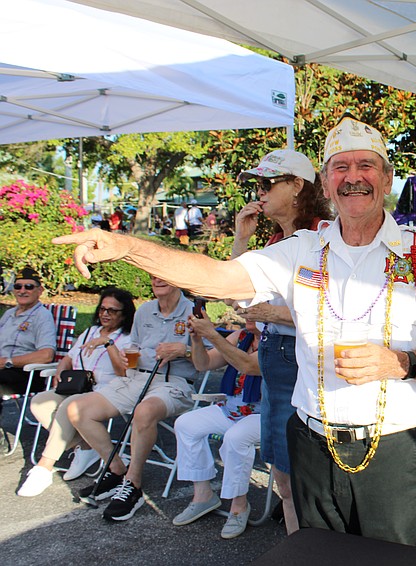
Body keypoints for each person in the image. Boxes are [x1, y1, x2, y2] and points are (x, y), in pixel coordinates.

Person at [53, 115, 416, 547]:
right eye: (341, 167)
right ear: (327, 182)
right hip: (311, 441)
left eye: (366, 166)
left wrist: (401, 362)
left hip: (392, 447)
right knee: (320, 555)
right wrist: (128, 247)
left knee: (392, 561)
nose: (354, 178)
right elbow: (216, 278)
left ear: (387, 178)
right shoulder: (300, 250)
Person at [230, 148, 332, 533]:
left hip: (301, 357)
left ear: (296, 187)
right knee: (282, 473)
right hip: (275, 355)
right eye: (258, 184)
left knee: (301, 475)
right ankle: (298, 548)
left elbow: (338, 310)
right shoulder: (275, 240)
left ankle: (312, 548)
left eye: (268, 183)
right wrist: (242, 239)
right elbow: (236, 291)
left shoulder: (324, 237)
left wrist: (274, 315)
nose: (260, 191)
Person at [65, 276, 205, 521]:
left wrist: (183, 350)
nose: (157, 280)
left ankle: (133, 484)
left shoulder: (195, 311)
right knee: (78, 409)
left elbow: (209, 359)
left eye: (163, 275)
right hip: (136, 378)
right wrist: (126, 357)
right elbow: (136, 349)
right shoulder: (145, 310)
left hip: (174, 384)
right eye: (152, 276)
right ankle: (116, 468)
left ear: (176, 277)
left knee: (144, 411)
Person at [18, 288, 135, 497]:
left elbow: (124, 371)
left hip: (103, 391)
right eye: (102, 309)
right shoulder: (90, 331)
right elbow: (70, 357)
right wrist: (61, 371)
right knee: (39, 402)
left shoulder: (127, 338)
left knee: (68, 407)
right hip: (77, 385)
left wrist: (109, 344)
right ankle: (86, 444)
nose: (105, 314)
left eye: (113, 311)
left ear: (124, 314)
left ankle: (44, 466)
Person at [172, 311, 262, 539]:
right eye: (246, 310)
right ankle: (203, 496)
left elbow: (249, 365)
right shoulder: (241, 336)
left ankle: (239, 505)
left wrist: (212, 335)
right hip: (231, 409)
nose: (246, 313)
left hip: (263, 414)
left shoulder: (276, 342)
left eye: (253, 310)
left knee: (235, 438)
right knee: (186, 424)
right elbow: (203, 364)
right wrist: (196, 339)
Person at [0, 267, 56, 398]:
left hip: (25, 374)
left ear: (40, 291)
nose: (22, 291)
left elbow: (46, 355)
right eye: (18, 286)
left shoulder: (42, 316)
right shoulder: (9, 314)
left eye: (29, 287)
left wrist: (8, 361)